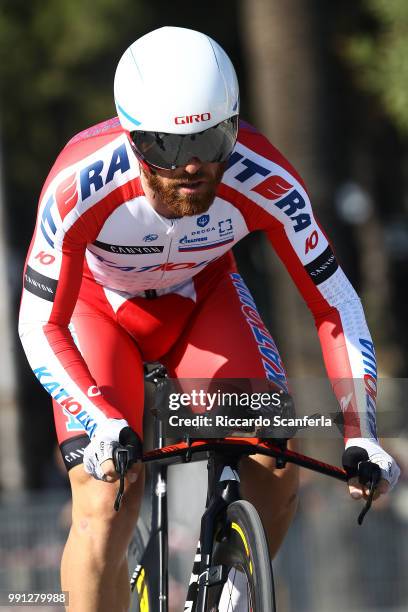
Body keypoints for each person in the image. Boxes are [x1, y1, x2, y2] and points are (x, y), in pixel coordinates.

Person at [19, 26, 400, 612]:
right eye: (169, 149)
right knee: (106, 496)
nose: (193, 167)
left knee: (272, 465)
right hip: (99, 312)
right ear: (132, 139)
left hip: (202, 302)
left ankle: (233, 596)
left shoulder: (263, 174)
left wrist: (363, 434)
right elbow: (39, 322)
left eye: (213, 141)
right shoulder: (80, 183)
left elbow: (336, 304)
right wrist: (97, 422)